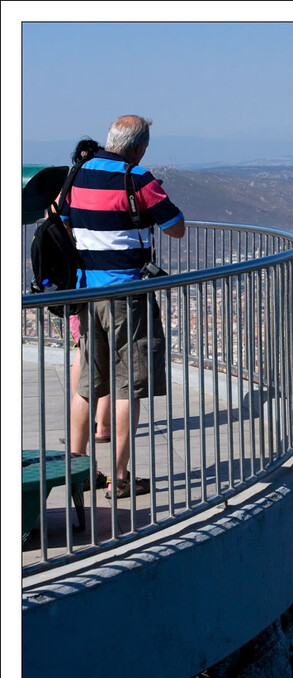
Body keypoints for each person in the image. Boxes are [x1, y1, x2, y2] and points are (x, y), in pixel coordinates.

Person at [62, 115, 185, 498]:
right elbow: (176, 226)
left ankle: (80, 469)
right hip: (126, 297)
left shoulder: (78, 173)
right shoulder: (138, 177)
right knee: (127, 387)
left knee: (87, 386)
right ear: (138, 147)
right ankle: (120, 478)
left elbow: (63, 218)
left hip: (85, 293)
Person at [67, 138, 111, 443]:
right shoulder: (106, 185)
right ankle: (103, 426)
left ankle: (78, 440)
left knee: (81, 358)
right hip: (109, 285)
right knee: (111, 369)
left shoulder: (69, 188)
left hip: (77, 287)